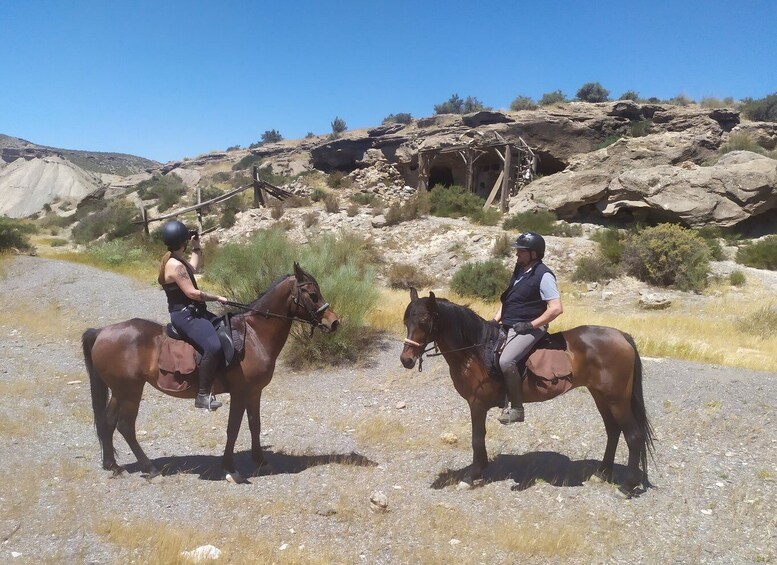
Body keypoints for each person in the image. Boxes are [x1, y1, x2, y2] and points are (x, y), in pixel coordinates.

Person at [492, 232, 563, 424]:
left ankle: (517, 409)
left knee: (506, 360)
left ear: (534, 253)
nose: (517, 255)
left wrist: (530, 325)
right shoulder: (520, 269)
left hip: (530, 327)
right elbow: (510, 299)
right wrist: (495, 318)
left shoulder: (544, 275)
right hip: (509, 323)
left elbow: (556, 308)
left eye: (521, 252)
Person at [158, 220, 229, 411]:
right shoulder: (174, 265)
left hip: (194, 311)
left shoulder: (175, 259)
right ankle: (203, 395)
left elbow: (194, 269)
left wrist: (197, 246)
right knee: (213, 346)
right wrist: (217, 297)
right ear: (183, 241)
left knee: (226, 328)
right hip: (185, 316)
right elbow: (192, 293)